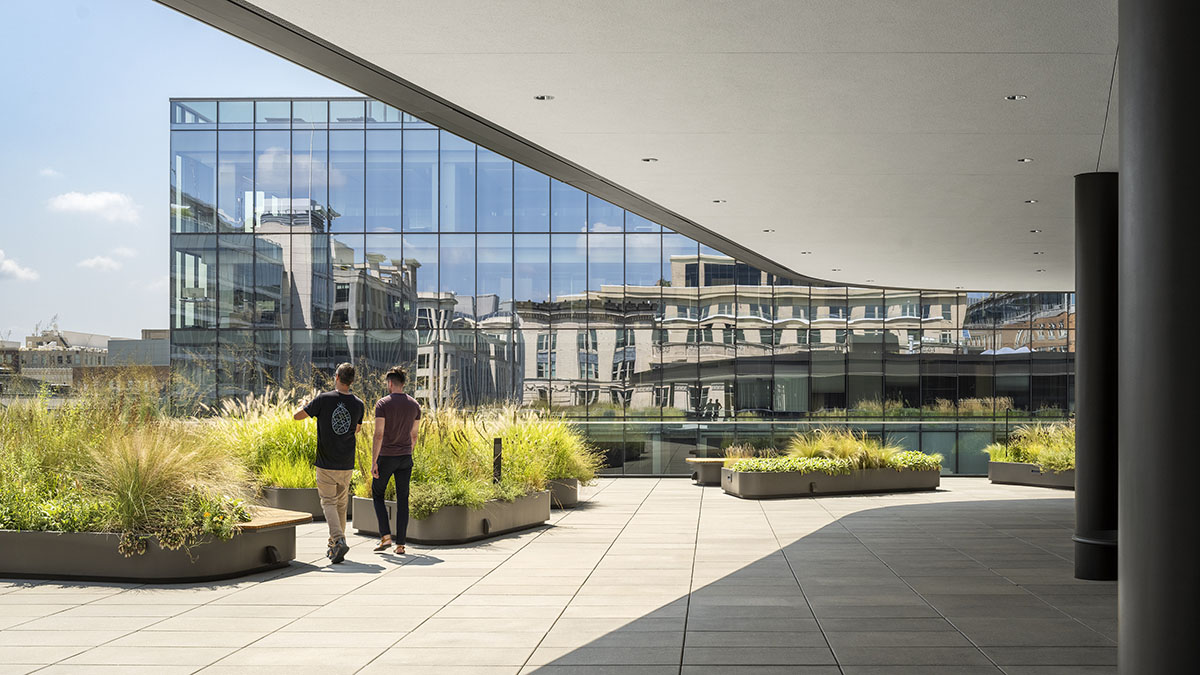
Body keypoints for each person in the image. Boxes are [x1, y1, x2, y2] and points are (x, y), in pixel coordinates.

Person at [294, 363, 364, 564]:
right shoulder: (359, 404)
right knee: (341, 505)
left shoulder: (324, 399)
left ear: (336, 377)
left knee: (328, 503)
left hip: (326, 462)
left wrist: (307, 405)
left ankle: (339, 539)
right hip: (346, 463)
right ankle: (335, 546)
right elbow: (357, 429)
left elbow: (297, 417)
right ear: (352, 381)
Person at [370, 365, 421, 555]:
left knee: (378, 494)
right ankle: (401, 545)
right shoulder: (415, 405)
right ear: (403, 383)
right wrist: (408, 451)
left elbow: (379, 434)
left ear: (390, 383)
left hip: (387, 457)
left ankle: (385, 537)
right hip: (405, 458)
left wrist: (374, 461)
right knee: (403, 499)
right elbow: (414, 435)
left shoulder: (383, 404)